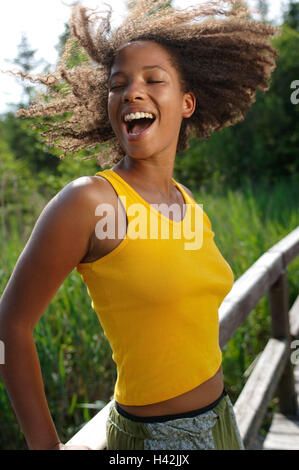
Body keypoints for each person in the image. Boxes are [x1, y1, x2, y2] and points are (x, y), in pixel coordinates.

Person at [0, 0, 279, 450]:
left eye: (153, 79)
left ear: (187, 103)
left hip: (221, 424)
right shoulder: (88, 201)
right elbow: (8, 326)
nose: (132, 92)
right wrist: (44, 446)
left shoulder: (190, 205)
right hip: (151, 443)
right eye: (118, 84)